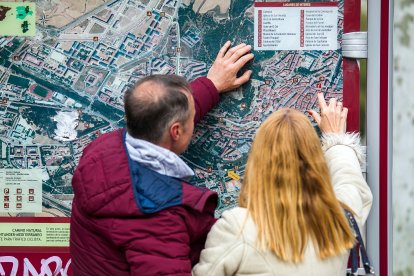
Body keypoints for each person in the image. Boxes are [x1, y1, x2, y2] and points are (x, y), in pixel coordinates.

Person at [70, 41, 254, 276]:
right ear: (176, 132)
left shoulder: (100, 151)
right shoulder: (159, 218)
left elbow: (162, 115)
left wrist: (211, 85)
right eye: (191, 118)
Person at [193, 93, 373, 275]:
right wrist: (336, 139)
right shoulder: (338, 219)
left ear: (257, 161)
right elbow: (352, 184)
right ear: (316, 160)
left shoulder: (238, 227)